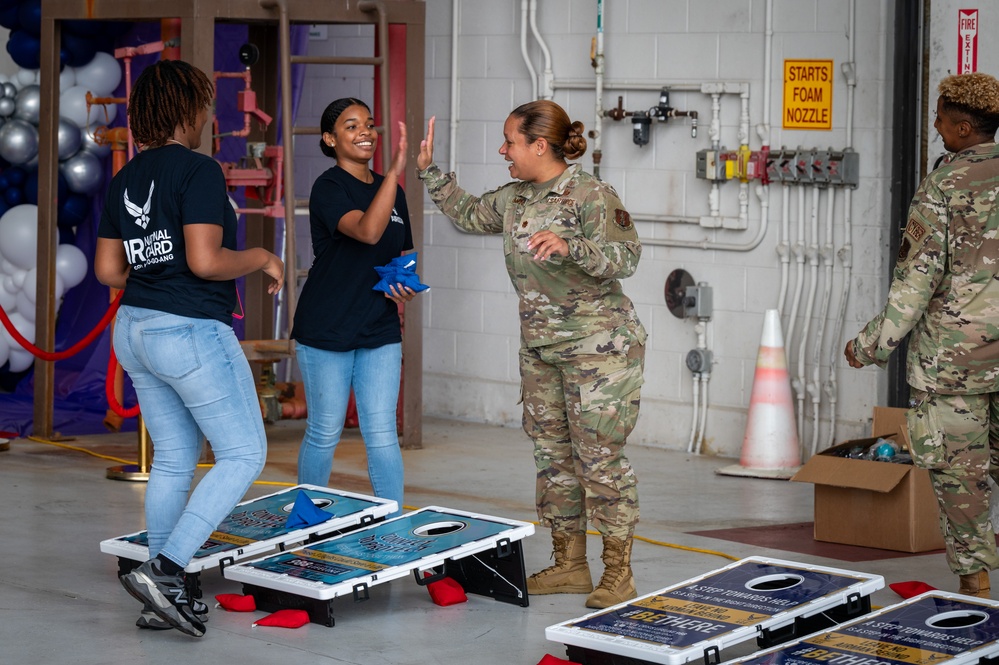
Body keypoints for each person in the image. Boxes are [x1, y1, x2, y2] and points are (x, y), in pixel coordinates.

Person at [416, 100, 647, 609]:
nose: (503, 151)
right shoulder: (517, 198)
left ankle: (618, 575)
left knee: (600, 460)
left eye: (510, 143)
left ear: (538, 145)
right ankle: (569, 565)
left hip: (599, 352)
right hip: (542, 349)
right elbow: (470, 213)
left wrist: (571, 248)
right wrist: (429, 171)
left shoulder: (590, 194)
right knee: (553, 459)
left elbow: (625, 257)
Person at [94, 59, 284, 637]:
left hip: (136, 329)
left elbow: (108, 269)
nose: (209, 117)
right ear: (186, 111)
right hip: (189, 330)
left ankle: (160, 593)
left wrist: (157, 274)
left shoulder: (126, 177)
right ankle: (168, 570)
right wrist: (261, 258)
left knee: (175, 457)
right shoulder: (199, 169)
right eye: (204, 106)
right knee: (244, 454)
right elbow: (206, 261)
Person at [845, 72, 999, 599]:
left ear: (961, 127)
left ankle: (976, 591)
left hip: (955, 367)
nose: (934, 127)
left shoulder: (943, 186)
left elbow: (916, 281)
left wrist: (869, 345)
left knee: (962, 480)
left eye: (939, 119)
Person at [292, 98, 417, 517]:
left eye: (368, 123)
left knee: (382, 433)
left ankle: (391, 521)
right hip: (326, 326)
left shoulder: (393, 191)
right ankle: (306, 517)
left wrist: (402, 283)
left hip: (378, 328)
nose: (364, 131)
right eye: (350, 126)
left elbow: (405, 253)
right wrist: (396, 170)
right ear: (330, 139)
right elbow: (366, 231)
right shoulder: (329, 187)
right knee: (324, 431)